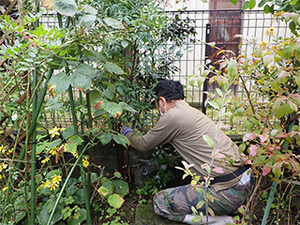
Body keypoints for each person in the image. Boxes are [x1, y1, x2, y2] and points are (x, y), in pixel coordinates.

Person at [121, 79, 253, 225]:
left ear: (162, 101)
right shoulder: (190, 112)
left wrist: (127, 133)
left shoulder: (173, 116)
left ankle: (221, 221)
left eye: (156, 104)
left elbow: (143, 144)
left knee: (160, 201)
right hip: (245, 182)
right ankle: (230, 210)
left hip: (226, 192)